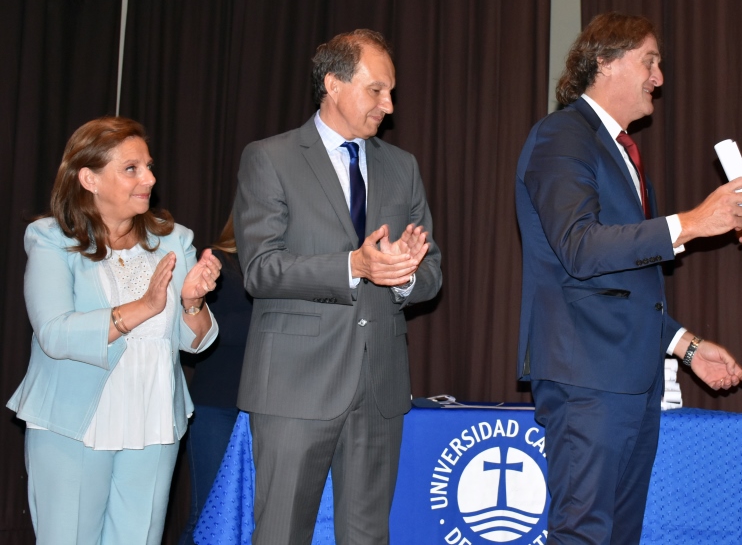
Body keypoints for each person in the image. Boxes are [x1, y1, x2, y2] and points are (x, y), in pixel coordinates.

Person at [516, 12, 742, 544]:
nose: (659, 77)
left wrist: (686, 346)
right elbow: (579, 249)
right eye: (650, 60)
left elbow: (613, 284)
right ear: (604, 61)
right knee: (584, 534)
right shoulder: (562, 136)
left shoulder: (619, 150)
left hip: (625, 377)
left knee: (618, 535)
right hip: (587, 376)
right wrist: (692, 223)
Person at [233, 29, 442, 545]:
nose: (389, 106)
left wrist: (405, 274)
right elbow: (261, 268)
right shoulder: (270, 158)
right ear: (333, 83)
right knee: (281, 534)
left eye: (391, 91)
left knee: (367, 536)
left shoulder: (402, 167)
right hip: (293, 385)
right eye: (377, 90)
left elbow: (431, 272)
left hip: (379, 386)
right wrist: (354, 264)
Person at [7, 116, 221, 545]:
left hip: (155, 418)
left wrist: (192, 302)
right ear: (89, 178)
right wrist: (143, 307)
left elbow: (194, 341)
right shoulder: (51, 239)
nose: (150, 178)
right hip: (75, 423)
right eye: (131, 169)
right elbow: (54, 333)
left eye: (149, 166)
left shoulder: (173, 239)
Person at [179, 215, 252, 545]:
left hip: (264, 409)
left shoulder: (287, 267)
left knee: (250, 516)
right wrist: (274, 323)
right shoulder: (216, 261)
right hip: (216, 406)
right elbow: (211, 331)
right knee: (209, 511)